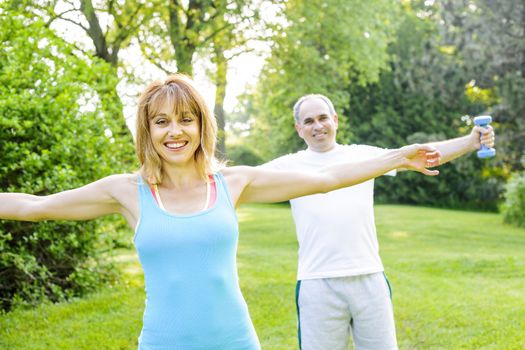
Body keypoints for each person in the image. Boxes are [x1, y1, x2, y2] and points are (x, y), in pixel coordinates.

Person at [0, 76, 441, 350]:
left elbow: (327, 178)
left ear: (201, 126)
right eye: (161, 122)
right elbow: (34, 206)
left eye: (186, 119)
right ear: (147, 130)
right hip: (163, 344)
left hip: (235, 341)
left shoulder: (232, 183)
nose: (175, 132)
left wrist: (397, 158)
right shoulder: (127, 192)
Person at [261, 94, 495, 350]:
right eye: (308, 121)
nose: (317, 126)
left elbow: (420, 154)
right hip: (317, 283)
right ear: (299, 129)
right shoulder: (288, 166)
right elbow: (242, 180)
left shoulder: (363, 155)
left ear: (335, 120)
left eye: (323, 118)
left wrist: (471, 141)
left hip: (369, 278)